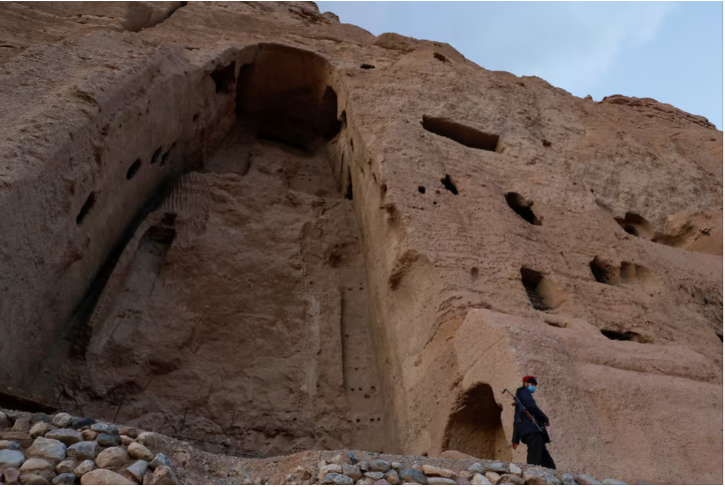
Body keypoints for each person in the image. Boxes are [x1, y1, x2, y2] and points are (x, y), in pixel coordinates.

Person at [511, 376, 556, 469]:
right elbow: (532, 407)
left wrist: (515, 439)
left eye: (534, 385)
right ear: (525, 384)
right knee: (534, 458)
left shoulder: (519, 402)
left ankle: (554, 475)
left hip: (530, 432)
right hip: (533, 431)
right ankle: (531, 476)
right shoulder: (524, 392)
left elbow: (517, 421)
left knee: (545, 457)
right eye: (532, 384)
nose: (534, 387)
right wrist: (545, 419)